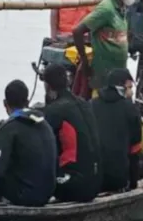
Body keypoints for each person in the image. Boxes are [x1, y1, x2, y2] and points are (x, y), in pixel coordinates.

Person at [41, 63, 102, 202]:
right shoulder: (85, 104)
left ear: (47, 86)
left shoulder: (54, 111)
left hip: (75, 187)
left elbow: (43, 148)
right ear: (67, 81)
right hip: (96, 183)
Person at [72, 0, 135, 99]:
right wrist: (84, 62)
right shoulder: (106, 9)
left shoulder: (122, 7)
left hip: (118, 76)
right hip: (103, 79)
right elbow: (77, 31)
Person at [90, 68, 142, 192]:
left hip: (92, 177)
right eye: (129, 87)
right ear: (120, 88)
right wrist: (133, 184)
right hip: (117, 180)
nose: (131, 92)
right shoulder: (131, 109)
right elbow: (135, 150)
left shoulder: (90, 105)